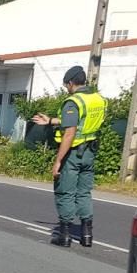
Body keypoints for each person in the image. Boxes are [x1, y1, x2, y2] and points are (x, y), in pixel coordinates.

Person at [33, 65, 106, 247]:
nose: (67, 89)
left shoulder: (73, 102)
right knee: (84, 192)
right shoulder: (98, 100)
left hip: (73, 154)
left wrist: (58, 161)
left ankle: (64, 235)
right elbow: (81, 122)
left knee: (65, 191)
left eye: (67, 85)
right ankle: (87, 235)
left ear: (71, 83)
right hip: (90, 153)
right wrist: (51, 121)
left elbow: (70, 132)